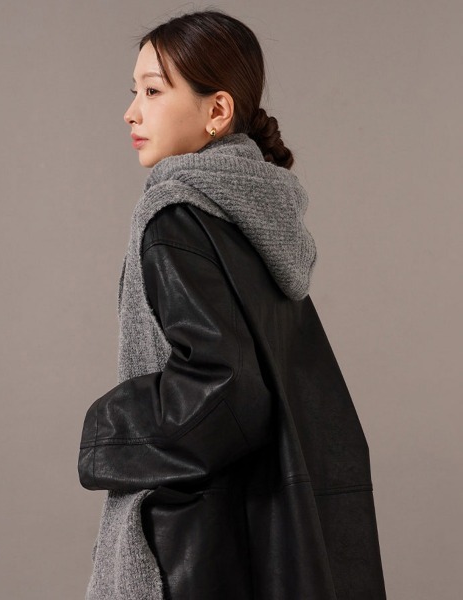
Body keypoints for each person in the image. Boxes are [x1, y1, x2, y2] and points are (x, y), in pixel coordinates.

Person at [78, 9, 387, 600]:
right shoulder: (260, 218)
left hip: (191, 545)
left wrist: (106, 429)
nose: (131, 112)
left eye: (152, 91)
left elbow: (224, 390)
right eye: (133, 91)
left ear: (217, 110)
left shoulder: (176, 216)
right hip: (263, 539)